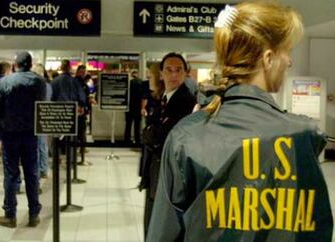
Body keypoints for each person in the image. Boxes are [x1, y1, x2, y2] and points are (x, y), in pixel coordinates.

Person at [147, 2, 333, 242]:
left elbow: (164, 233)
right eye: (287, 51)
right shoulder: (302, 136)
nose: (289, 62)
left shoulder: (187, 134)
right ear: (268, 58)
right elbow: (315, 230)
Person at [142, 53, 196, 238]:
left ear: (186, 73)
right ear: (161, 73)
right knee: (151, 223)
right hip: (155, 170)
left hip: (170, 175)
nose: (174, 75)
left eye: (178, 70)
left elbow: (161, 137)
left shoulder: (186, 102)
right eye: (169, 70)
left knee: (161, 228)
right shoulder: (162, 98)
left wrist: (150, 133)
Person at [0, 51, 46, 228]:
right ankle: (33, 214)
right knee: (31, 172)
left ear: (15, 65)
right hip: (31, 133)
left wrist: (5, 118)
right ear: (30, 64)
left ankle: (10, 214)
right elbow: (41, 104)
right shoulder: (39, 82)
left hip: (10, 133)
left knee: (11, 173)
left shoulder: (5, 81)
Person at [31, 63, 52, 178]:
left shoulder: (34, 85)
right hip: (44, 116)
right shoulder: (48, 86)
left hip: (35, 117)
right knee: (43, 144)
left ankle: (38, 170)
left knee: (37, 146)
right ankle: (44, 168)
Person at [124, 70, 144, 145]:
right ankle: (137, 140)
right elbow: (144, 96)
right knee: (137, 124)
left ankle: (127, 140)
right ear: (137, 74)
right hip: (138, 106)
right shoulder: (141, 83)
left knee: (128, 124)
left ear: (132, 75)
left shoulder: (129, 83)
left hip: (129, 106)